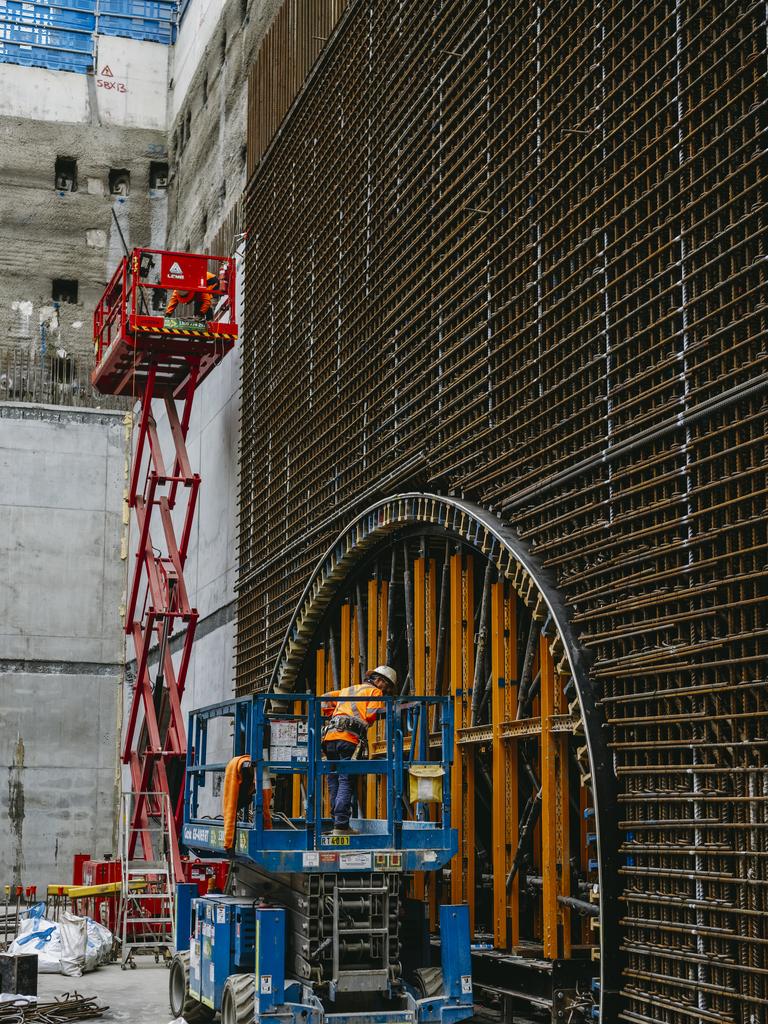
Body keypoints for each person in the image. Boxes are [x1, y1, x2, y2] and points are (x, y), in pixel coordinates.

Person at [321, 665, 397, 835]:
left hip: (330, 738)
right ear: (379, 681)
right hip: (348, 739)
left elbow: (324, 699)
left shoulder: (348, 690)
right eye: (387, 687)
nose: (386, 691)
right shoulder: (374, 692)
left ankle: (337, 822)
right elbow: (371, 714)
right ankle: (341, 825)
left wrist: (335, 715)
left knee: (333, 779)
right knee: (346, 780)